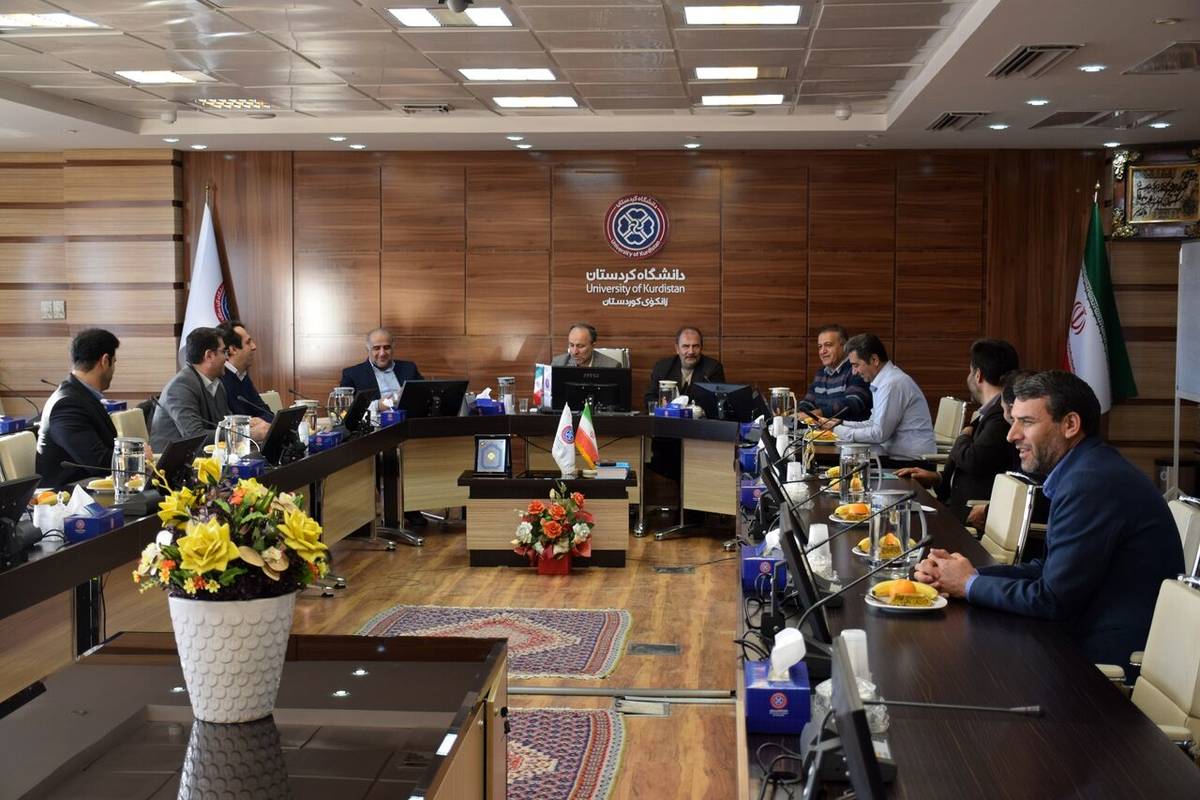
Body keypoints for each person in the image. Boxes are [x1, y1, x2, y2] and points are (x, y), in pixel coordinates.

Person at [915, 370, 1183, 668]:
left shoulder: (1090, 482)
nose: (1011, 435)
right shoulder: (1087, 468)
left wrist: (967, 584)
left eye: (1027, 422)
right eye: (1013, 421)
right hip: (1080, 631)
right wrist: (965, 576)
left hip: (1102, 660)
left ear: (1070, 425)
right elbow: (1048, 570)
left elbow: (1052, 599)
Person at [896, 339, 1020, 522]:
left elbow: (973, 460)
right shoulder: (988, 413)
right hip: (955, 508)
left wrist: (962, 436)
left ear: (978, 375)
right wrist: (937, 478)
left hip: (968, 517)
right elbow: (977, 467)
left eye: (970, 371)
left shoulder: (1001, 417)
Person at [829, 333, 936, 466]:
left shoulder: (891, 384)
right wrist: (842, 423)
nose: (853, 372)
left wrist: (837, 431)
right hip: (896, 459)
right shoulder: (884, 381)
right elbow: (873, 423)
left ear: (874, 360)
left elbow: (879, 434)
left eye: (856, 365)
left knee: (846, 468)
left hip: (912, 464)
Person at [35, 329, 122, 488]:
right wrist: (135, 456)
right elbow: (97, 462)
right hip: (68, 496)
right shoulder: (66, 404)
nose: (114, 369)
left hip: (92, 487)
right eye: (114, 362)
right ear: (104, 361)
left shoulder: (81, 395)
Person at [151, 327, 247, 452]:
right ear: (209, 355)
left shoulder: (217, 384)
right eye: (224, 351)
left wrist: (246, 425)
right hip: (173, 460)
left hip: (205, 457)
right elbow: (195, 436)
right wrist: (242, 433)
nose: (227, 358)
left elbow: (225, 424)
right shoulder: (180, 387)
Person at [798, 324, 871, 423]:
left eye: (828, 345)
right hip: (821, 430)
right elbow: (808, 402)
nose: (822, 351)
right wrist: (798, 413)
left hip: (848, 431)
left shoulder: (856, 370)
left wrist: (819, 414)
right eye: (820, 347)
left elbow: (853, 403)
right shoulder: (820, 374)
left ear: (844, 346)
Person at [644, 326, 725, 406]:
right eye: (686, 346)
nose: (691, 352)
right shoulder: (662, 367)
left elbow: (718, 401)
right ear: (677, 348)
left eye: (695, 346)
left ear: (701, 348)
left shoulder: (713, 368)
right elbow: (649, 398)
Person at [218, 320, 274, 423]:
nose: (254, 346)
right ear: (233, 349)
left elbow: (267, 413)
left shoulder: (242, 376)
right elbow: (232, 422)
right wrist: (253, 422)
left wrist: (257, 421)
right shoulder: (220, 380)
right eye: (248, 342)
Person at [340, 327, 422, 396]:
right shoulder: (352, 375)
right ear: (368, 349)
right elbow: (347, 407)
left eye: (387, 347)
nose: (382, 353)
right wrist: (378, 406)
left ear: (393, 348)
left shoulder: (409, 369)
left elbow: (425, 396)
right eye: (376, 348)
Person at [550, 323, 622, 369]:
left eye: (580, 346)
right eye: (571, 345)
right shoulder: (558, 364)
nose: (574, 352)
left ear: (593, 345)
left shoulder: (612, 366)